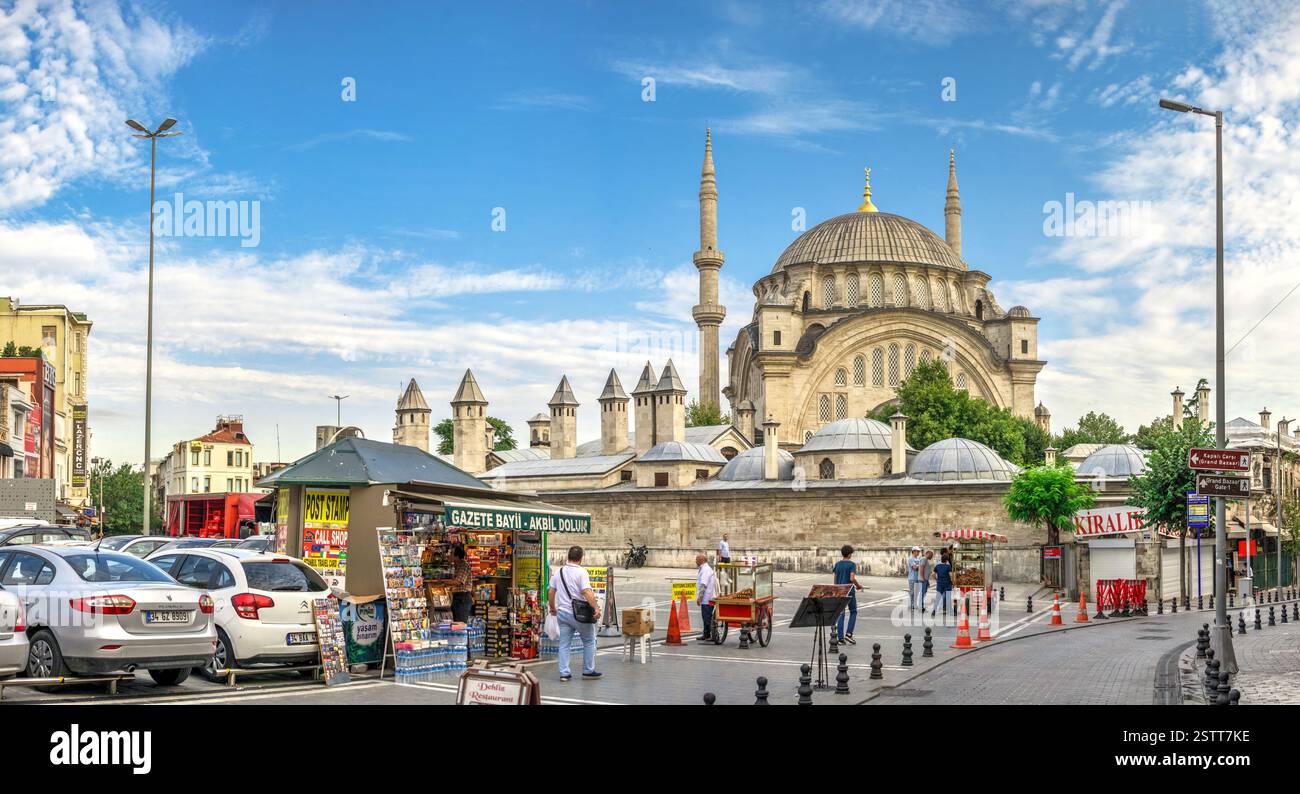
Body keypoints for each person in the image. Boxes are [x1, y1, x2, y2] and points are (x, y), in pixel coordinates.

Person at [547, 545, 601, 681]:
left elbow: (551, 592)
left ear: (568, 556)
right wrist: (596, 608)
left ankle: (564, 673)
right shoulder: (581, 572)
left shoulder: (559, 572)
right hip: (579, 615)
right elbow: (586, 592)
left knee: (564, 643)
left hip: (563, 614)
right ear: (581, 558)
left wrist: (553, 608)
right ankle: (588, 670)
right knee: (589, 641)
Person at [833, 544, 866, 644]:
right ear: (849, 554)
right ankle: (849, 634)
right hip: (849, 591)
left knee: (841, 613)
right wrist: (858, 585)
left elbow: (835, 580)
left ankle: (840, 638)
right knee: (853, 611)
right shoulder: (852, 565)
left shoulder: (837, 564)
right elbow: (851, 578)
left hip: (839, 590)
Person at [449, 543, 474, 623]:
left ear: (457, 556)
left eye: (452, 553)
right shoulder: (457, 566)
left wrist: (444, 582)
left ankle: (462, 635)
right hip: (458, 597)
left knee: (461, 623)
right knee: (457, 622)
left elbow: (459, 582)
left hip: (463, 598)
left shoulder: (463, 565)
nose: (449, 555)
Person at [695, 553, 717, 642]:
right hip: (706, 598)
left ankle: (711, 635)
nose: (695, 561)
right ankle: (706, 634)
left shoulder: (705, 570)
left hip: (707, 598)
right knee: (705, 617)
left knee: (707, 617)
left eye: (697, 559)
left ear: (701, 560)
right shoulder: (704, 569)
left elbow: (703, 585)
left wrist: (699, 598)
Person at [931, 552, 954, 622]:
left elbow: (933, 574)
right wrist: (953, 582)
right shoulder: (948, 567)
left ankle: (934, 611)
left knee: (938, 597)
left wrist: (936, 579)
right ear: (947, 560)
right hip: (947, 583)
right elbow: (951, 575)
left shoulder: (937, 566)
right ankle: (950, 612)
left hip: (940, 583)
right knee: (948, 597)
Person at [906, 546, 925, 612]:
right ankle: (911, 605)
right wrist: (920, 566)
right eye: (917, 551)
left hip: (917, 578)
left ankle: (914, 604)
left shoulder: (918, 559)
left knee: (916, 592)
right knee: (912, 592)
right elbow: (914, 567)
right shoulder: (911, 559)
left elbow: (919, 567)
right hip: (912, 578)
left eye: (919, 551)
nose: (918, 552)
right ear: (913, 551)